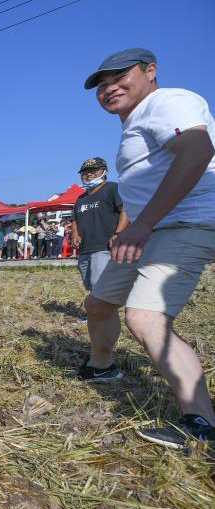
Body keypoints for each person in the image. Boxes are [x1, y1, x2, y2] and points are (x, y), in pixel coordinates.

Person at [81, 48, 215, 449]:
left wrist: (142, 224)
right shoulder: (136, 122)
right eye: (101, 85)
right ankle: (102, 367)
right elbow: (142, 187)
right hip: (150, 229)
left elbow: (198, 151)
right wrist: (129, 227)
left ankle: (202, 422)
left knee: (145, 317)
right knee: (99, 303)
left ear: (150, 71)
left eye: (119, 77)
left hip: (184, 223)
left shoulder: (166, 102)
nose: (109, 88)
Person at [71, 157, 129, 292]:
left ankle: (102, 312)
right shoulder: (80, 198)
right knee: (89, 286)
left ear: (103, 171)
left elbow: (125, 211)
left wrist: (118, 233)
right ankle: (97, 312)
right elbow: (74, 219)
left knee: (100, 286)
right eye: (85, 172)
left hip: (104, 247)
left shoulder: (113, 188)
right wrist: (75, 233)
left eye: (93, 170)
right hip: (85, 249)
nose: (89, 174)